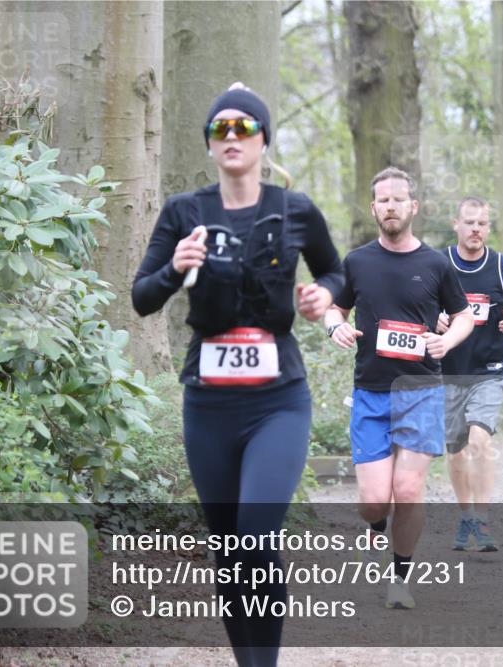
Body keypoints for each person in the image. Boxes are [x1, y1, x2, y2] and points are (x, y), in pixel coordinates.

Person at [131, 83, 344, 667]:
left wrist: (321, 296)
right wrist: (175, 269)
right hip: (209, 405)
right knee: (228, 553)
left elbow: (338, 273)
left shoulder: (294, 209)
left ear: (263, 140)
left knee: (254, 537)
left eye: (243, 127)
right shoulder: (184, 213)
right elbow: (142, 297)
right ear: (207, 143)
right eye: (219, 128)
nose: (231, 136)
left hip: (278, 401)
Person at [324, 167, 473, 610]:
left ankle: (400, 580)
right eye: (382, 200)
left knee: (407, 490)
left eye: (398, 199)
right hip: (370, 392)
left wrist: (448, 339)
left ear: (413, 207)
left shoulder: (435, 264)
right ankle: (375, 526)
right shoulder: (356, 262)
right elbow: (335, 306)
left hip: (421, 390)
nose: (390, 206)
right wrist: (335, 327)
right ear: (374, 208)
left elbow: (463, 315)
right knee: (374, 503)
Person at [436, 196, 503, 552]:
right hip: (448, 372)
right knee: (456, 450)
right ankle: (465, 517)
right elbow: (420, 300)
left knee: (479, 441)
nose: (476, 229)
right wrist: (433, 316)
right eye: (470, 222)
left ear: (488, 227)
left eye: (482, 223)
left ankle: (483, 519)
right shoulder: (438, 263)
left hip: (490, 370)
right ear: (456, 224)